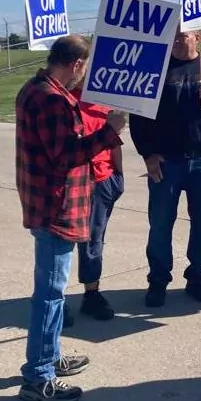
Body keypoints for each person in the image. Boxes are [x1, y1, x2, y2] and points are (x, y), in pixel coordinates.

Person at [15, 35, 127, 401]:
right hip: (55, 208)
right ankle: (38, 377)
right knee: (50, 295)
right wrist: (109, 132)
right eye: (85, 67)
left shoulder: (36, 88)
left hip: (47, 202)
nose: (85, 75)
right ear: (76, 64)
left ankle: (49, 357)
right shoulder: (52, 99)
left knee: (53, 293)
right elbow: (65, 155)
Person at [129, 25, 201, 307]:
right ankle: (158, 280)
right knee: (160, 223)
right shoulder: (156, 69)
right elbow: (138, 116)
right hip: (165, 162)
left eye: (183, 36)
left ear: (198, 37)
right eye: (173, 36)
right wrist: (147, 154)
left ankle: (197, 276)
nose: (177, 41)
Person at [64, 82, 125, 322]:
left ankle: (92, 293)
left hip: (103, 180)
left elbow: (114, 141)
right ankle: (56, 300)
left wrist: (118, 176)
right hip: (74, 182)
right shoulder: (64, 101)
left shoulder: (103, 99)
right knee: (62, 243)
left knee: (94, 240)